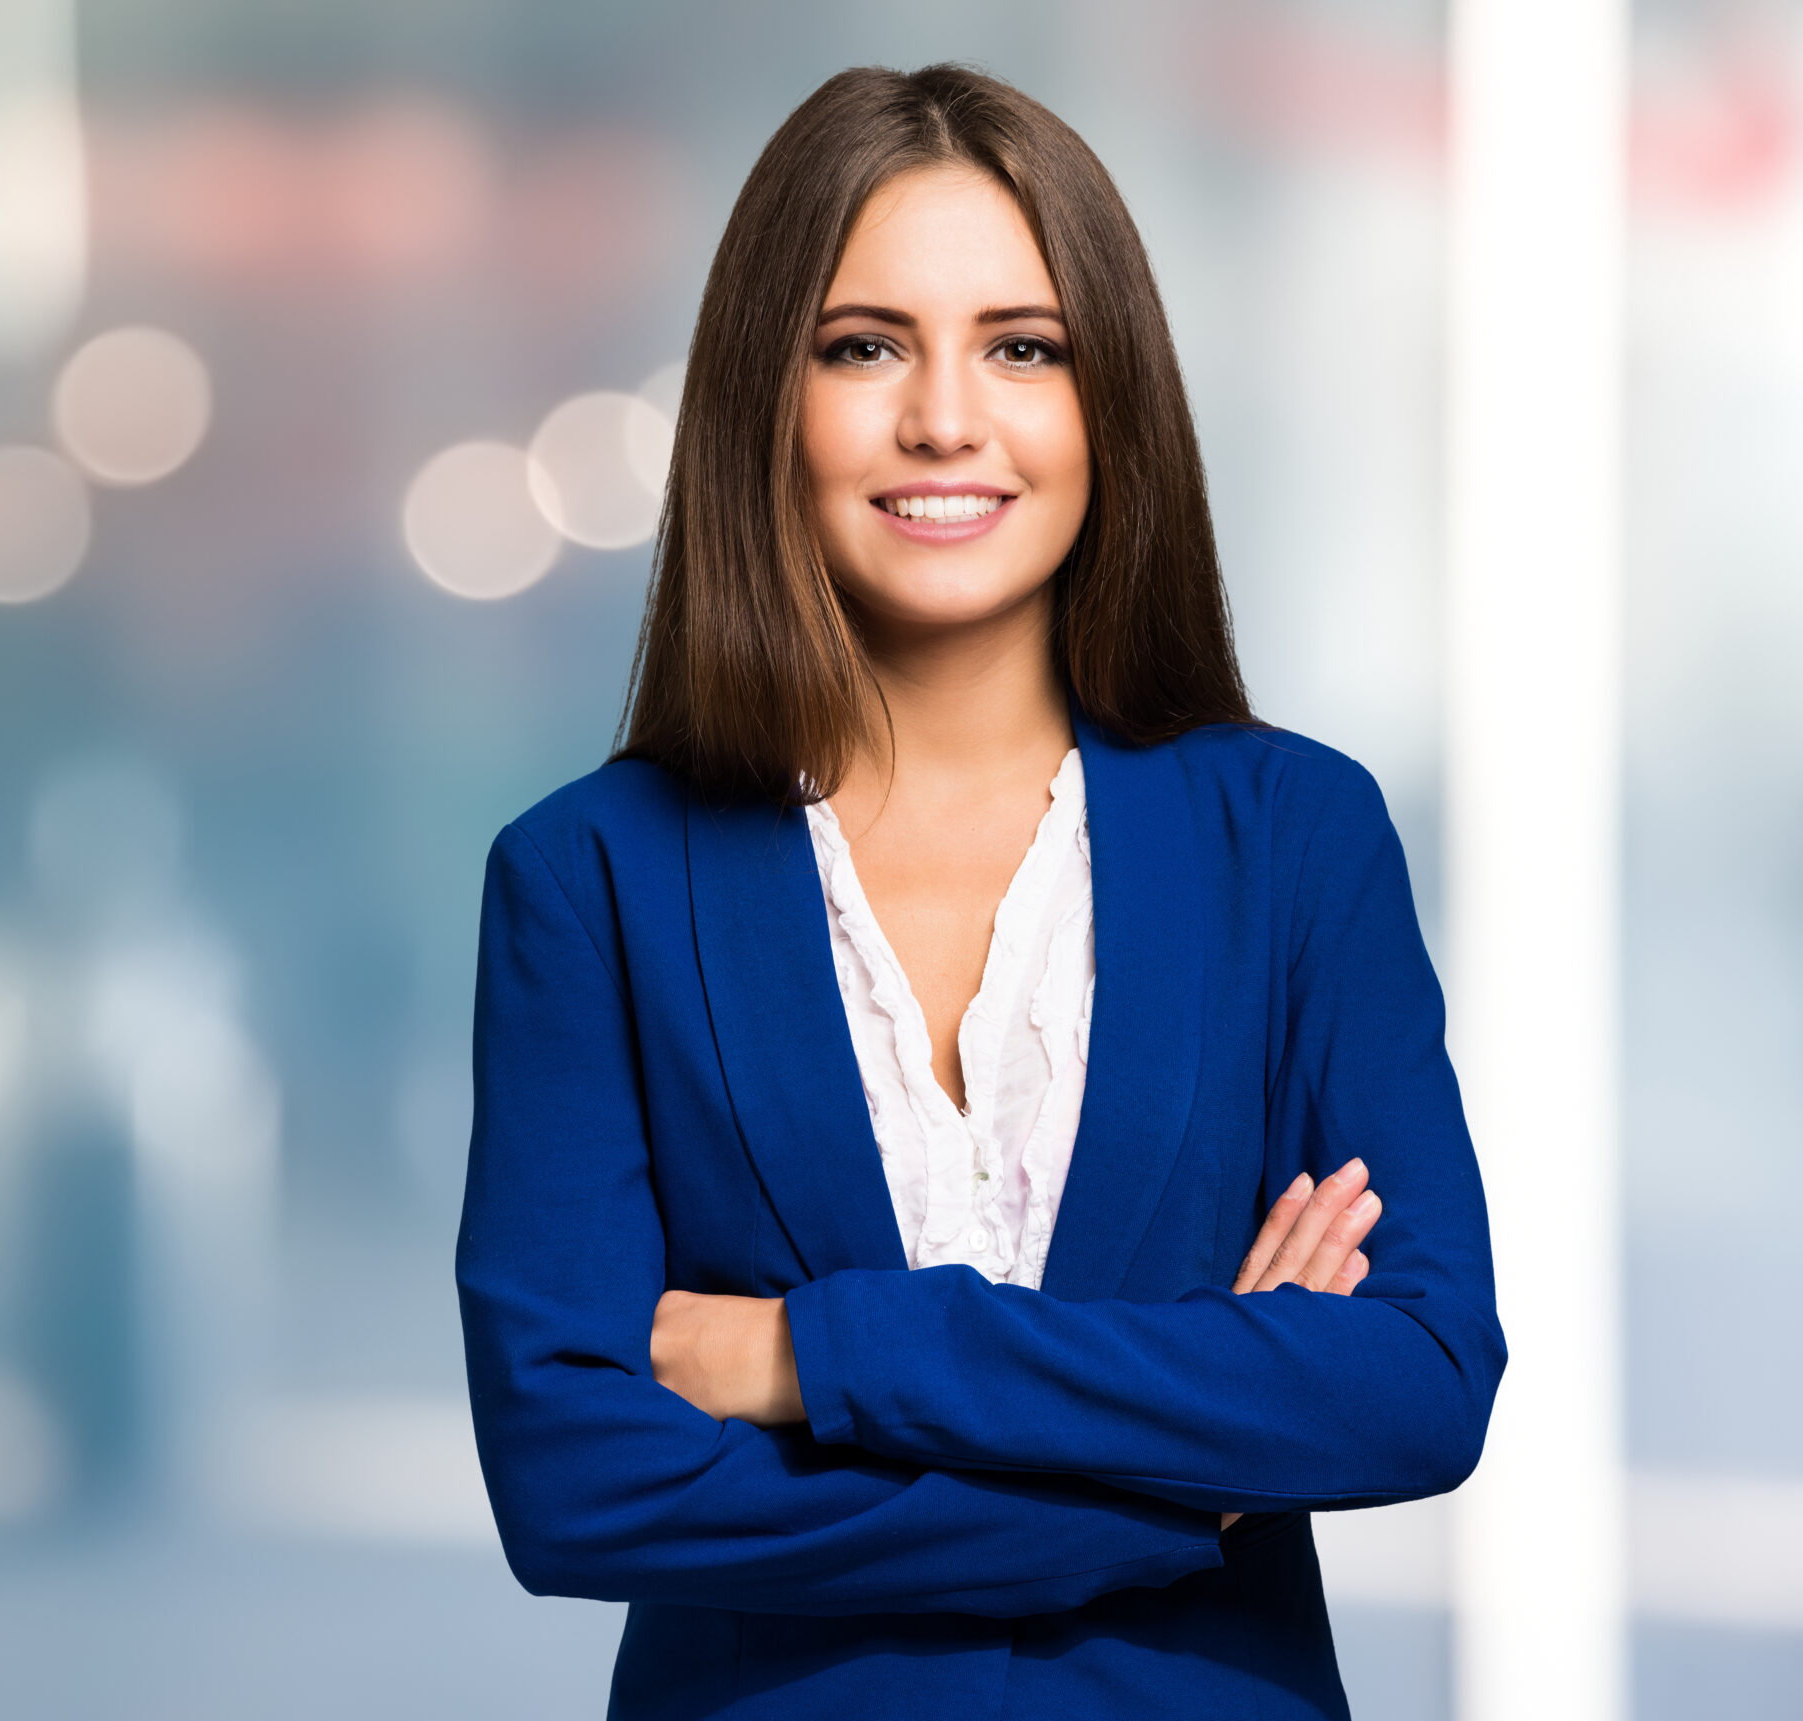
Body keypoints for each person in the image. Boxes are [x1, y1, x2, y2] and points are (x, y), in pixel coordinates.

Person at [454, 62, 1501, 1719]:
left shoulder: (1294, 839)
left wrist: (813, 1356)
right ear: (763, 402)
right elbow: (575, 1478)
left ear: (1111, 404)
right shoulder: (592, 878)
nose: (946, 416)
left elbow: (1422, 1381)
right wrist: (1183, 1477)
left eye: (1024, 346)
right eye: (865, 345)